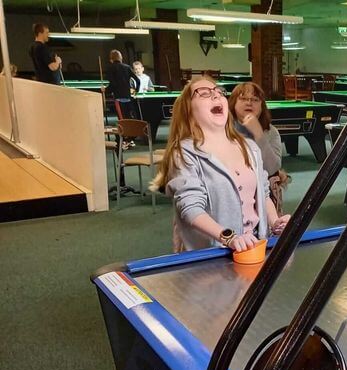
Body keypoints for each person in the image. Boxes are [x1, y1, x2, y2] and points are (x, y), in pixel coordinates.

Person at [151, 76, 290, 252]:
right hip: (211, 256)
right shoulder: (184, 152)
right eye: (204, 93)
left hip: (253, 249)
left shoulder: (249, 147)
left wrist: (275, 222)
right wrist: (229, 237)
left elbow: (263, 193)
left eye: (219, 92)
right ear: (188, 109)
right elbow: (191, 208)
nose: (216, 96)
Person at [228, 82, 290, 215]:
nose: (249, 103)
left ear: (261, 106)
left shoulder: (271, 132)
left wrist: (258, 135)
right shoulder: (223, 130)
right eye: (243, 98)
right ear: (233, 103)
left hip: (263, 195)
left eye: (255, 100)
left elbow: (273, 168)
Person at [104, 50, 140, 119]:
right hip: (128, 98)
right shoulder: (127, 67)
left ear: (111, 59)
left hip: (118, 98)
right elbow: (138, 81)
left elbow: (113, 85)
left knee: (122, 120)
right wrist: (136, 92)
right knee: (129, 118)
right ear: (121, 58)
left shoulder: (110, 68)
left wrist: (104, 90)